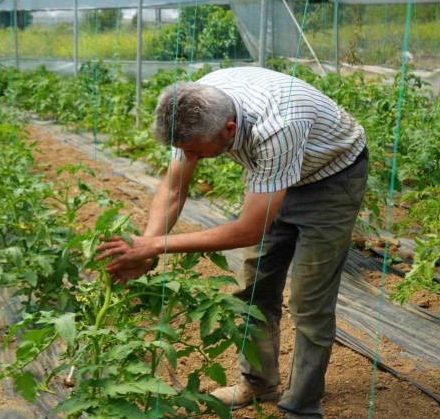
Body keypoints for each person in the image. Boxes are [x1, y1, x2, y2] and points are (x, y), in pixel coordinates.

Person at [96, 66, 368, 418]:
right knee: (252, 290)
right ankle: (259, 384)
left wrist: (156, 246)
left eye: (196, 152)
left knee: (309, 301)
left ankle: (301, 407)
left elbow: (249, 230)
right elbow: (174, 188)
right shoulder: (194, 106)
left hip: (330, 179)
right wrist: (145, 248)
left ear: (229, 129)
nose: (189, 159)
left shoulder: (278, 126)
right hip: (272, 178)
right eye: (183, 151)